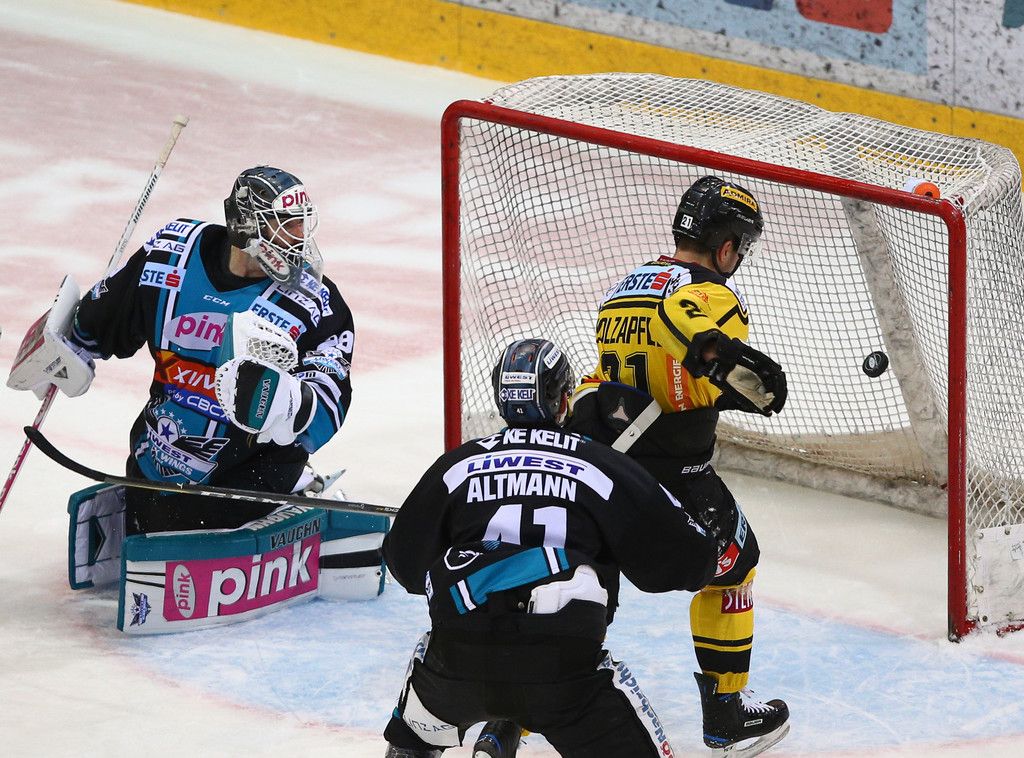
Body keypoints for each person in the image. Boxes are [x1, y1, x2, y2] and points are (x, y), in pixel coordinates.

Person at [381, 337, 718, 758]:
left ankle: (451, 732)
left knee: (419, 717)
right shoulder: (600, 464)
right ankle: (508, 719)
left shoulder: (458, 465)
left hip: (456, 668)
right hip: (564, 674)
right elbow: (689, 563)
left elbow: (405, 565)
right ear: (562, 401)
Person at [568, 175, 790, 756]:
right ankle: (727, 717)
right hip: (676, 477)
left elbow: (603, 381)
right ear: (726, 246)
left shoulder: (623, 288)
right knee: (737, 565)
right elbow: (703, 350)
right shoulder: (713, 294)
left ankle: (513, 717)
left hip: (601, 473)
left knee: (576, 582)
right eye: (740, 246)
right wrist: (743, 378)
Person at [12, 165, 355, 533]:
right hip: (153, 467)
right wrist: (65, 346)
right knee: (158, 520)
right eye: (285, 224)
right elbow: (101, 322)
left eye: (302, 223)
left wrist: (292, 403)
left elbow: (331, 396)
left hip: (251, 489)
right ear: (245, 225)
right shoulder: (171, 254)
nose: (299, 237)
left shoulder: (316, 300)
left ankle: (294, 495)